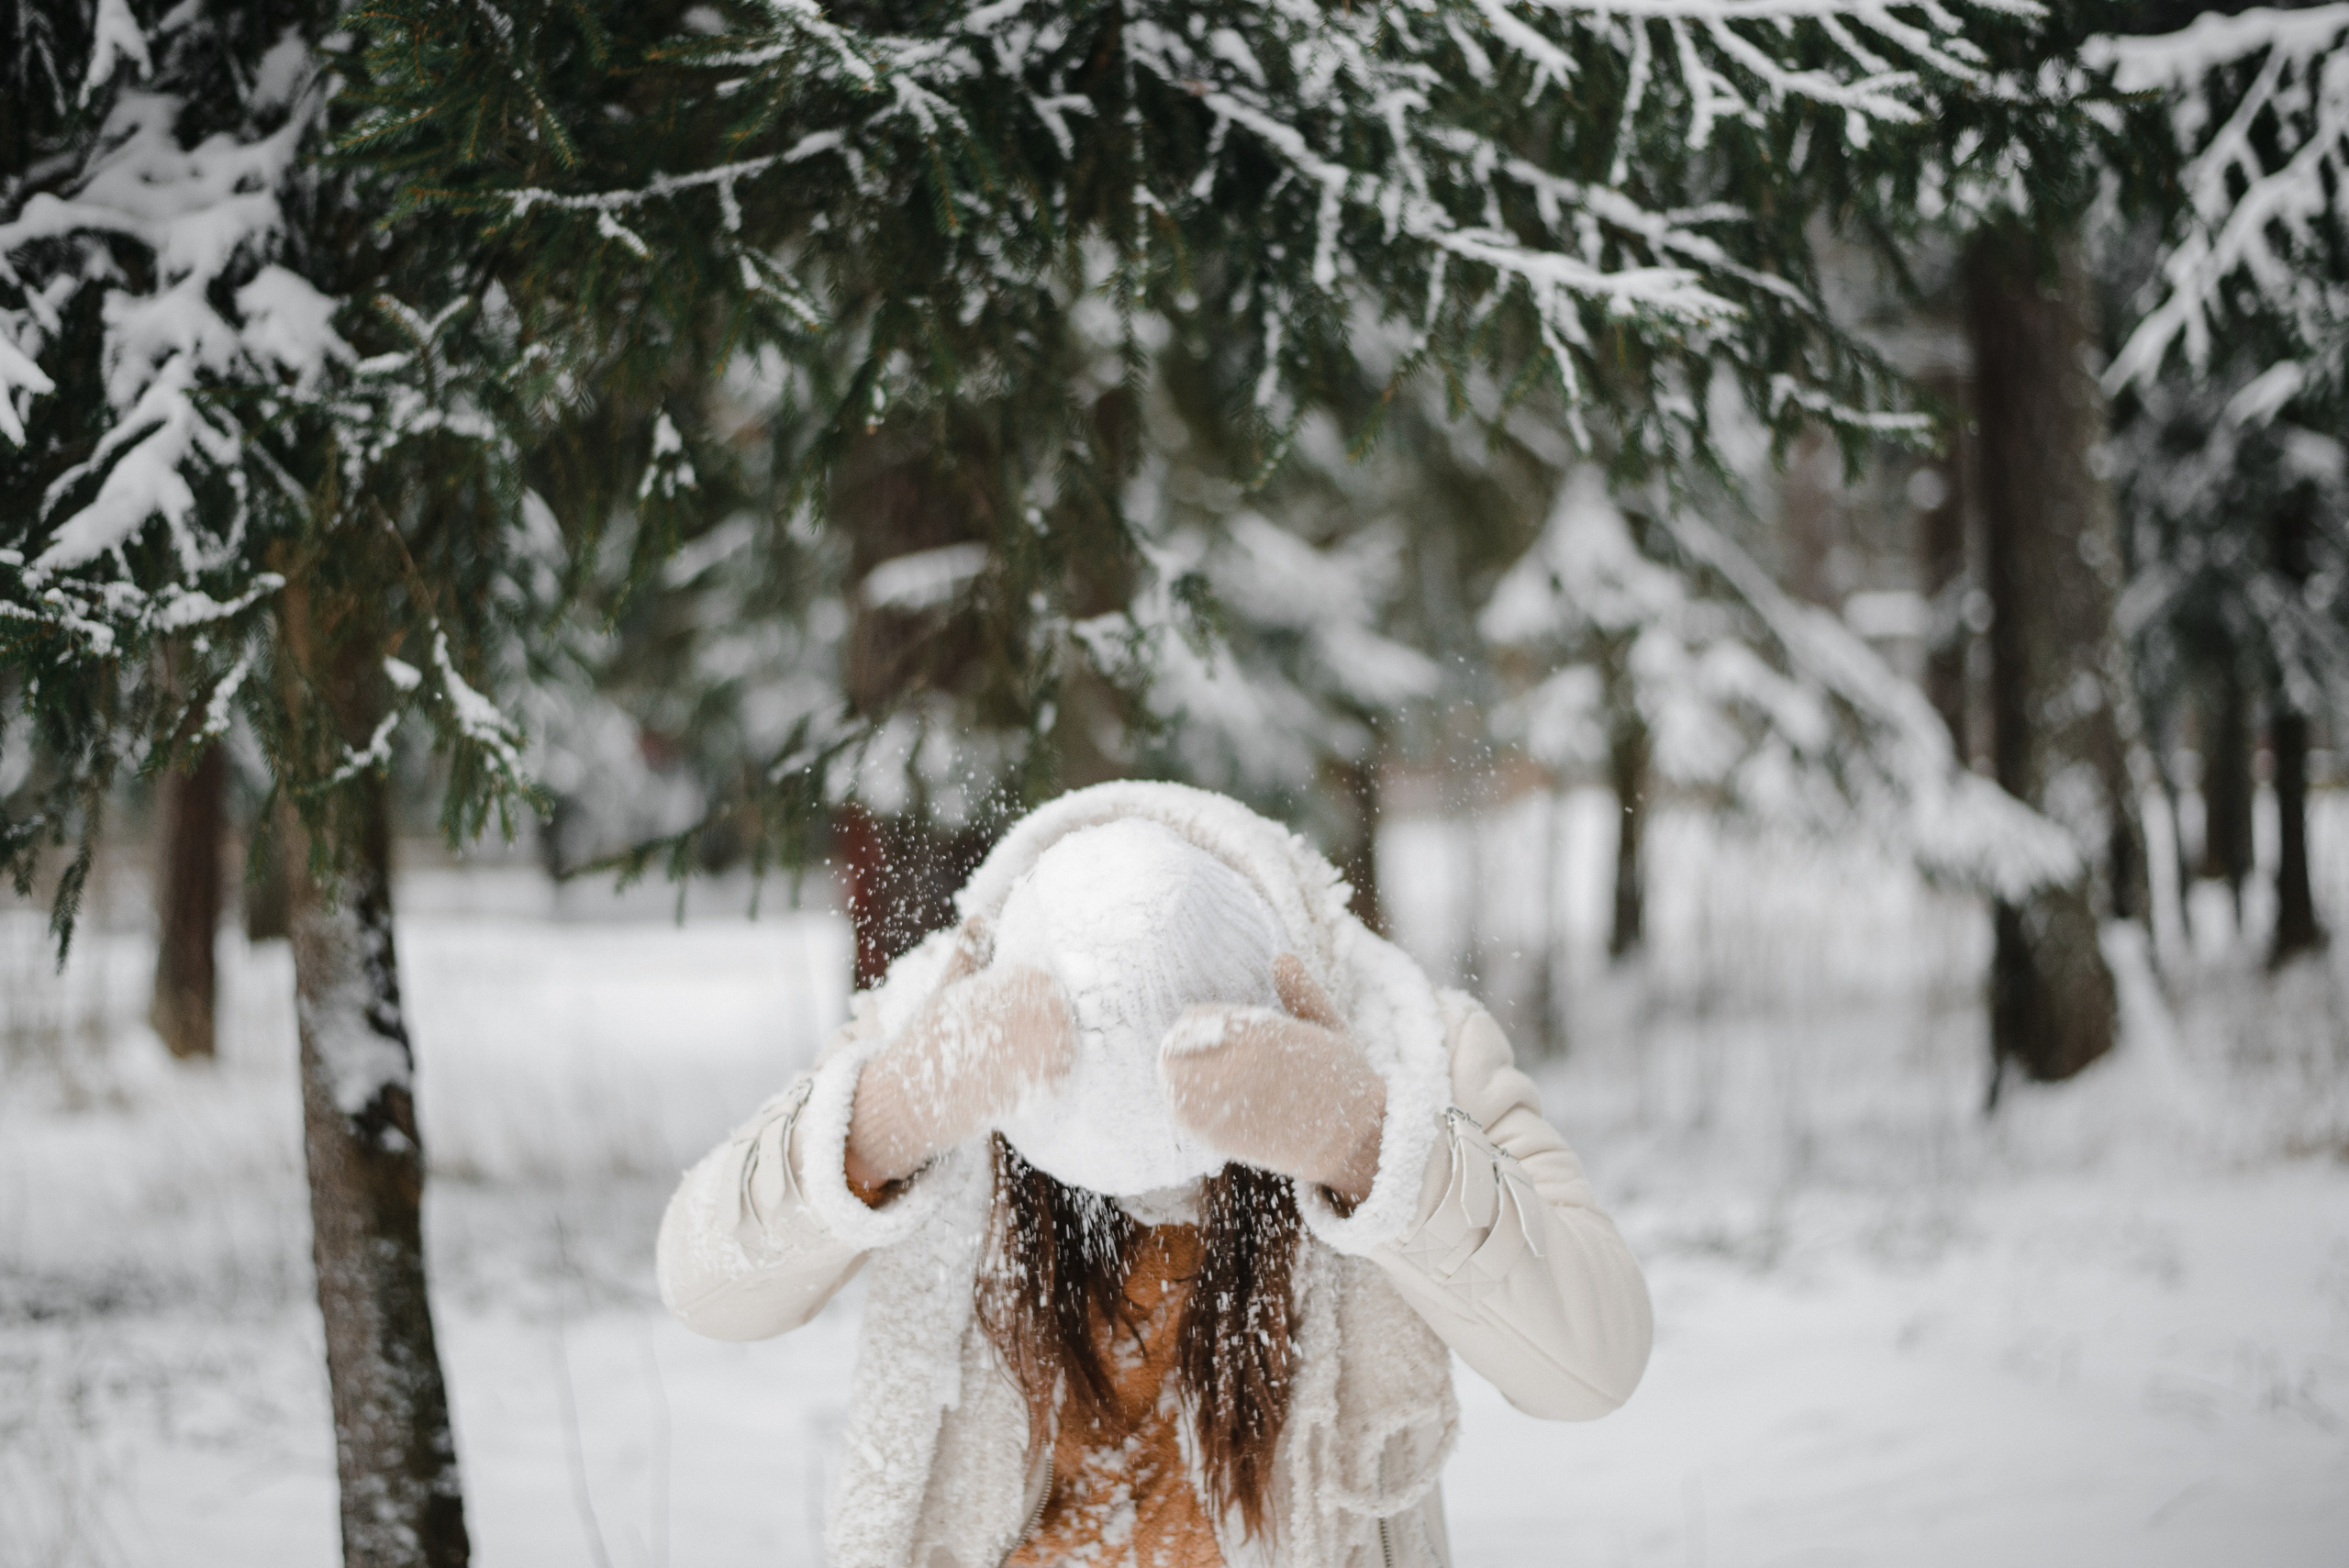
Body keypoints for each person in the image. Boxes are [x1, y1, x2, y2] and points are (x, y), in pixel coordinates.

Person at [657, 783, 1652, 1568]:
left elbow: (1592, 1364)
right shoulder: (940, 1024)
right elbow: (704, 1287)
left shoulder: (1409, 1045)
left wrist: (1371, 1141)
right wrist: (875, 1126)